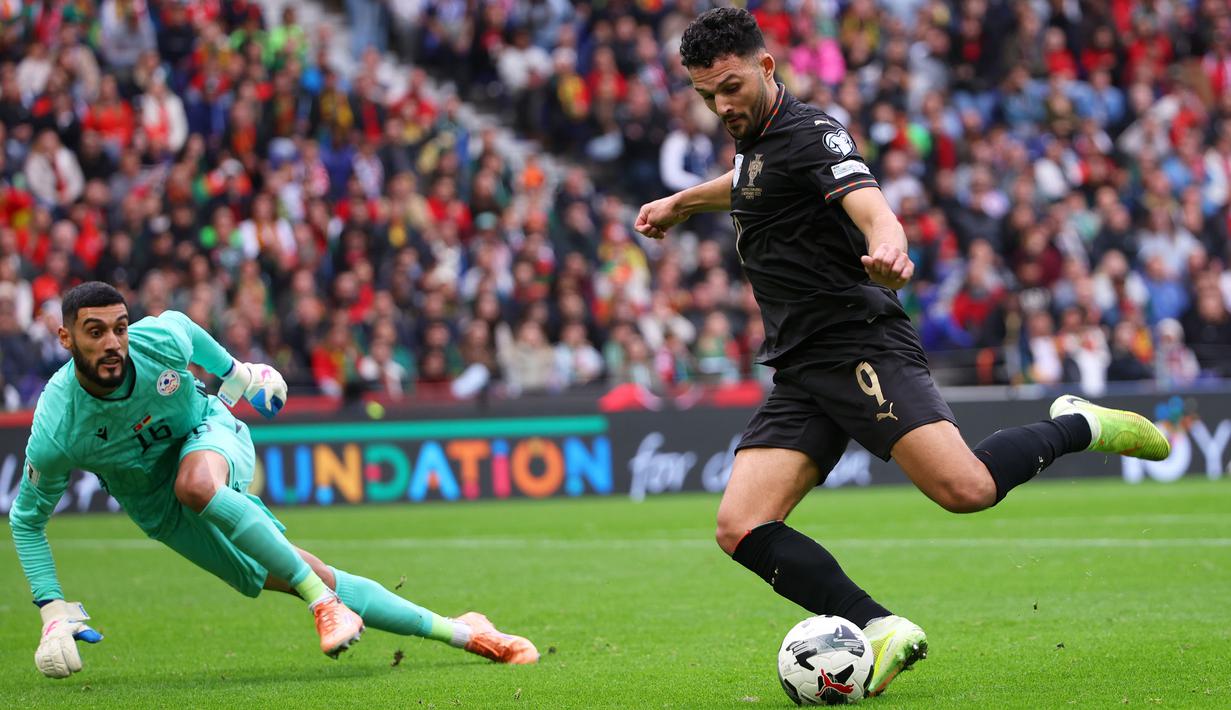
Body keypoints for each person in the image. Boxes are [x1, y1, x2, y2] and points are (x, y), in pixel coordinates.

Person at [634, 8, 1169, 698]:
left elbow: (867, 201)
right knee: (739, 526)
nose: (722, 105)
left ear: (765, 67)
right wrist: (682, 201)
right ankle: (879, 627)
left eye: (731, 87)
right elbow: (751, 184)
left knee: (966, 490)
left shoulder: (813, 131)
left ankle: (1076, 424)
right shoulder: (757, 141)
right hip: (800, 364)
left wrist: (889, 242)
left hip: (857, 344)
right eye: (708, 96)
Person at [10, 282, 538, 679]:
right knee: (314, 574)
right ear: (65, 337)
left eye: (119, 328)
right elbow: (27, 520)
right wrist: (51, 605)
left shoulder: (156, 341)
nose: (112, 343)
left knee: (196, 485)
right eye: (94, 331)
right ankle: (468, 632)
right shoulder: (59, 426)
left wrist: (238, 374)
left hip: (209, 434)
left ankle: (323, 606)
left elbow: (185, 328)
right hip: (160, 511)